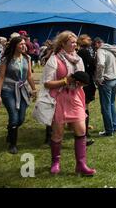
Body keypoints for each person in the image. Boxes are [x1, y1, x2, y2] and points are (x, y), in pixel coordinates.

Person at [42, 31, 96, 176]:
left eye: (75, 42)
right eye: (71, 42)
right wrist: (66, 80)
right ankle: (55, 162)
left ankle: (81, 164)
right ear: (62, 43)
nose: (74, 44)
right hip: (59, 99)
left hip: (76, 98)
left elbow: (82, 80)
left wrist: (81, 81)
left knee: (81, 130)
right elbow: (47, 83)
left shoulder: (78, 59)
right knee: (58, 133)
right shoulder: (54, 60)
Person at [0, 36, 37, 154]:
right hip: (8, 90)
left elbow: (29, 76)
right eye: (21, 44)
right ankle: (12, 144)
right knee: (14, 117)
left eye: (24, 44)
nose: (24, 46)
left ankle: (10, 130)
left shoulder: (27, 58)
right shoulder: (6, 59)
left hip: (23, 90)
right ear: (14, 46)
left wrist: (34, 90)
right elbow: (1, 77)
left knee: (21, 119)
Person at [94, 37, 116, 137]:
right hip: (115, 78)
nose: (94, 47)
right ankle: (114, 127)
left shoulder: (101, 50)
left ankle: (108, 130)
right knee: (111, 104)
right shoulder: (114, 49)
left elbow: (100, 64)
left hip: (107, 80)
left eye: (95, 45)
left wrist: (99, 78)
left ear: (98, 43)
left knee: (105, 106)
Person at [77, 35, 96, 147]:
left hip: (84, 80)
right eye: (89, 39)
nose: (90, 40)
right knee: (84, 106)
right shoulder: (84, 52)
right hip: (85, 82)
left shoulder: (81, 52)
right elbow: (92, 64)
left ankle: (83, 128)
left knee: (83, 106)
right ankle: (84, 131)